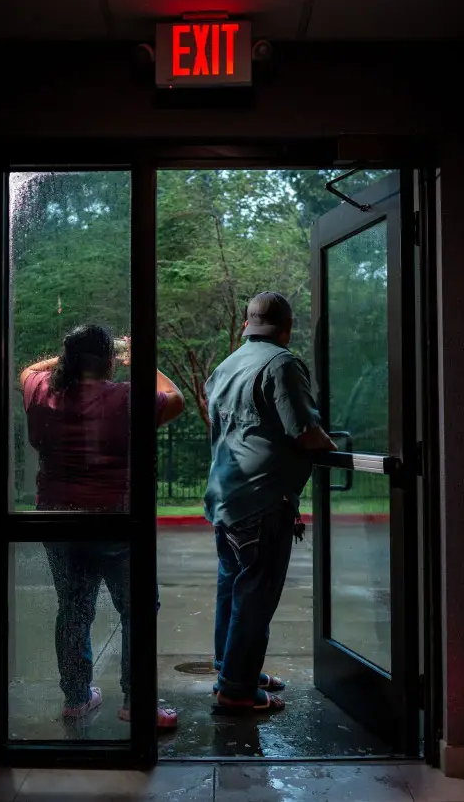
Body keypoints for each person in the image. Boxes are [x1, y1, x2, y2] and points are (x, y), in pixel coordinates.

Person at [19, 324, 184, 729]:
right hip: (117, 520)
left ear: (69, 359)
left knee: (73, 610)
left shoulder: (41, 392)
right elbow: (177, 400)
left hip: (59, 520)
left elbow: (26, 371)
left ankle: (76, 698)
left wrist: (69, 357)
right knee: (138, 609)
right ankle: (137, 701)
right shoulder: (126, 399)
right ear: (110, 361)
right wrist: (142, 358)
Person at [204, 292, 337, 714]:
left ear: (247, 324)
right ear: (287, 328)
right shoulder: (281, 364)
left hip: (225, 497)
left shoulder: (227, 365)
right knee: (254, 597)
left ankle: (230, 669)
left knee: (232, 586)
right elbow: (303, 430)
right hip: (262, 501)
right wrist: (330, 446)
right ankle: (236, 689)